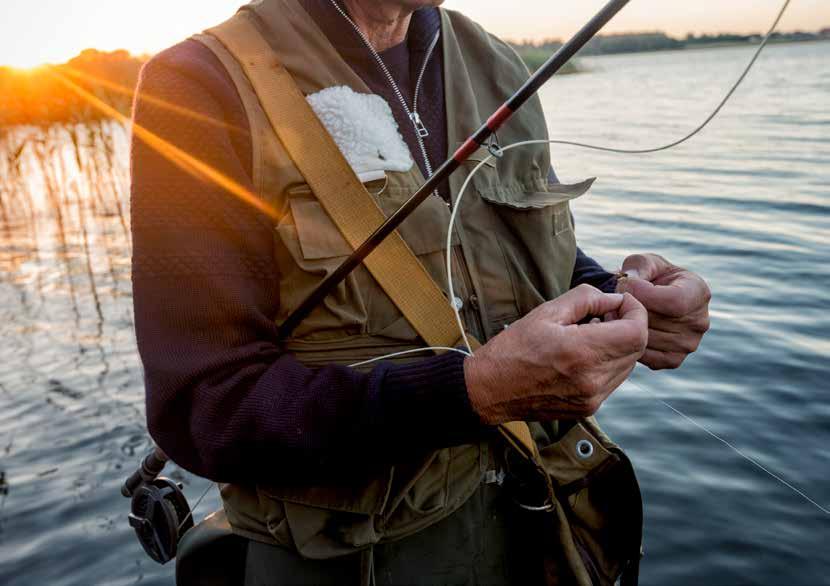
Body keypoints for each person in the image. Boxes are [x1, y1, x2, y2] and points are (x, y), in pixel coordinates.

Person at [130, 0, 711, 583]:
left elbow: (508, 260)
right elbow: (204, 408)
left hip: (536, 529)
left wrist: (615, 295)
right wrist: (472, 393)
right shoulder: (197, 86)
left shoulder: (495, 59)